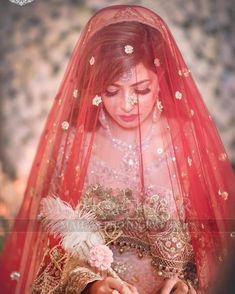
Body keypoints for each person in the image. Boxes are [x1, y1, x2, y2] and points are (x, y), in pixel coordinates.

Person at [0, 4, 234, 294]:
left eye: (141, 90)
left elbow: (220, 248)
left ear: (162, 80)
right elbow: (50, 253)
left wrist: (188, 286)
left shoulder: (188, 143)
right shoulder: (73, 148)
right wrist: (90, 285)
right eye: (111, 91)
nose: (126, 105)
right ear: (96, 87)